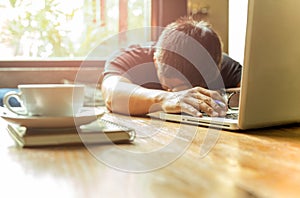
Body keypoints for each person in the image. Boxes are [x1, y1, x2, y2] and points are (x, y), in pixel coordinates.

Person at [101, 17, 242, 117]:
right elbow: (112, 95)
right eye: (174, 87)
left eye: (193, 88)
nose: (186, 94)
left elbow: (255, 93)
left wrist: (222, 97)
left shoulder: (215, 62)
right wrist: (167, 98)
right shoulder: (130, 58)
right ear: (156, 61)